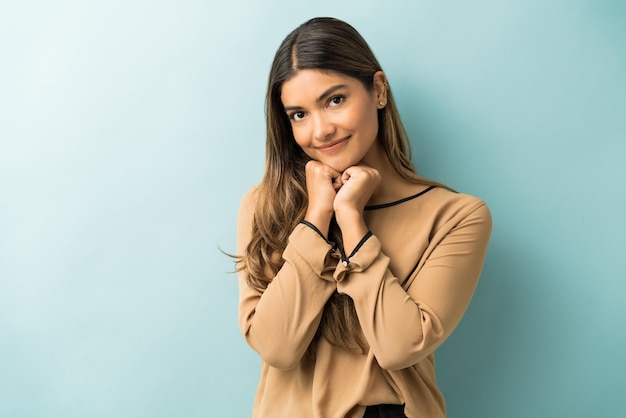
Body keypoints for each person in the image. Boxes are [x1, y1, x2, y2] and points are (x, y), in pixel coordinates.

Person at [235, 17, 492, 418]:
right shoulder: (264, 205)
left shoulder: (455, 217)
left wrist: (351, 219)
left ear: (378, 91)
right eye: (298, 114)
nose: (320, 130)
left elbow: (398, 346)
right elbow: (277, 347)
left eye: (334, 100)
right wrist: (317, 217)